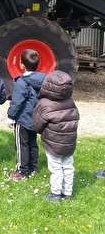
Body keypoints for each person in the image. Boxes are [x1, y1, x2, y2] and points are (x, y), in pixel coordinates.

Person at [32, 70, 79, 202]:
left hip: (52, 142)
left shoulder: (44, 104)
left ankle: (56, 193)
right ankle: (68, 192)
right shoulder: (71, 102)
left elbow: (37, 124)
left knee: (56, 167)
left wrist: (43, 132)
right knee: (68, 166)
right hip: (69, 141)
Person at [7, 49, 45, 180]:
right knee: (32, 143)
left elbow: (17, 102)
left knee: (21, 144)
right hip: (35, 118)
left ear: (21, 64)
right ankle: (33, 167)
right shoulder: (42, 80)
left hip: (22, 119)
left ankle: (21, 171)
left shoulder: (22, 82)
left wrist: (11, 117)